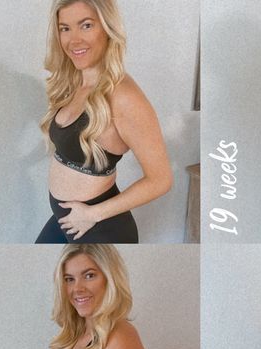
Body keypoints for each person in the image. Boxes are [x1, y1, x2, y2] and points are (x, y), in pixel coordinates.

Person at [35, 0, 172, 244]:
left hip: (99, 227)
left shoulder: (124, 97)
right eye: (65, 28)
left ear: (108, 28)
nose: (74, 40)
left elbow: (161, 180)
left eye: (86, 25)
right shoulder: (75, 81)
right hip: (65, 219)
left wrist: (92, 214)